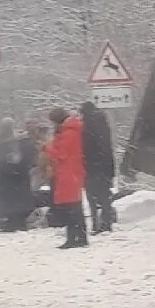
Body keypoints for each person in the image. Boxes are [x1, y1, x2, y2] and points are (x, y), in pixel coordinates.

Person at [46, 104, 88, 249]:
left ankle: (74, 238)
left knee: (72, 208)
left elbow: (60, 155)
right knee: (75, 207)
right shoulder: (71, 131)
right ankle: (80, 237)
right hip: (72, 173)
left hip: (68, 173)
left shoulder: (68, 133)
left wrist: (49, 147)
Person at [0, 116, 41, 232]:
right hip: (17, 175)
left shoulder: (13, 141)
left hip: (14, 175)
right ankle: (16, 220)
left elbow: (15, 157)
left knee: (14, 199)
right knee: (16, 199)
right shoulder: (16, 141)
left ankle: (15, 221)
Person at [79, 98, 118, 235]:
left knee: (92, 198)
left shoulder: (85, 126)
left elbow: (84, 149)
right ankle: (106, 223)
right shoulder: (103, 124)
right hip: (104, 167)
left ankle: (95, 224)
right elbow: (107, 148)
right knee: (105, 197)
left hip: (90, 168)